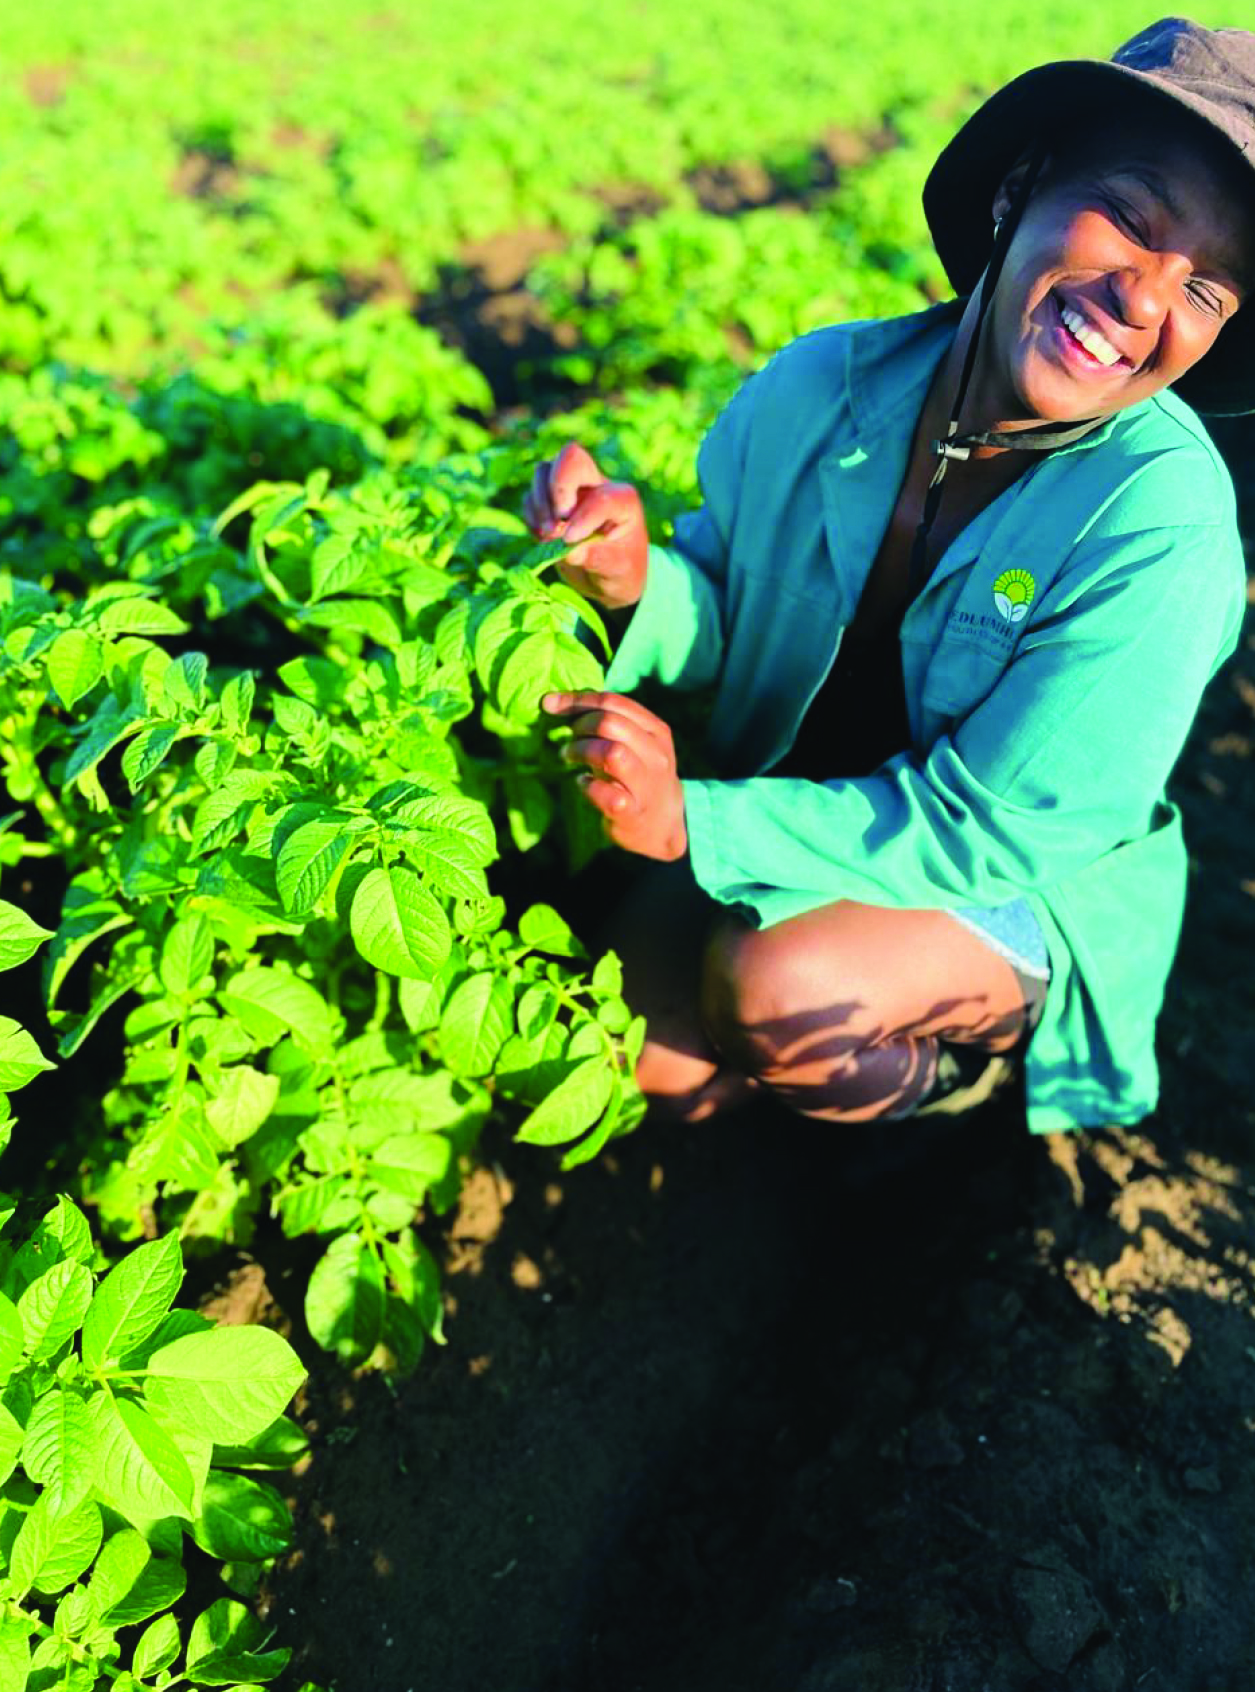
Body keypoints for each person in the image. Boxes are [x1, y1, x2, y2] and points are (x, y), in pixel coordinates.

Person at [523, 18, 1255, 1133]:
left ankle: (950, 1090)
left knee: (778, 987)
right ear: (1020, 188)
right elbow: (727, 607)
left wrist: (700, 828)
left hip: (1012, 877)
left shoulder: (1161, 519)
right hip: (813, 801)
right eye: (1131, 218)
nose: (1147, 300)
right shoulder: (828, 384)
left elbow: (996, 830)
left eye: (1205, 291)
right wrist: (634, 582)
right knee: (646, 1067)